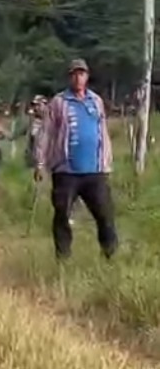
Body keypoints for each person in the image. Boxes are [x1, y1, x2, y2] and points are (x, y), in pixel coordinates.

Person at [34, 59, 117, 260]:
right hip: (66, 170)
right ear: (69, 77)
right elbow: (46, 133)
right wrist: (40, 162)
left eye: (81, 74)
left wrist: (107, 160)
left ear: (87, 77)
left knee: (105, 215)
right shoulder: (59, 102)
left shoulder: (95, 101)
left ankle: (110, 256)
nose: (78, 78)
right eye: (74, 74)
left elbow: (102, 130)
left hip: (95, 170)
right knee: (62, 214)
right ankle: (63, 258)